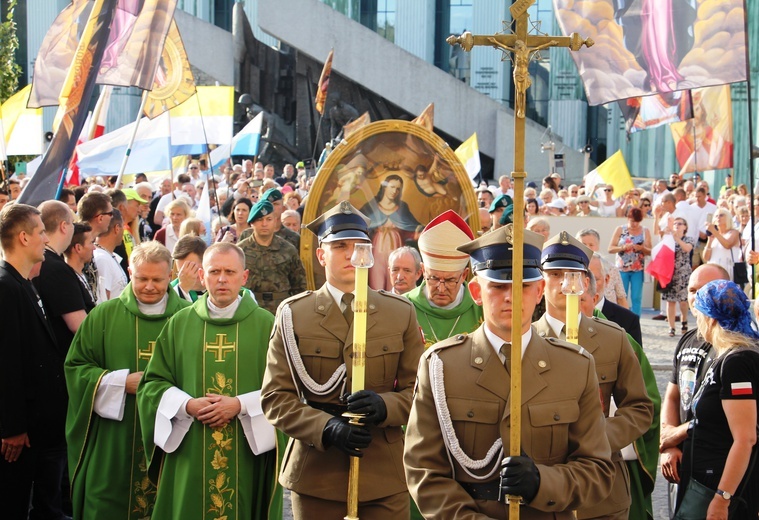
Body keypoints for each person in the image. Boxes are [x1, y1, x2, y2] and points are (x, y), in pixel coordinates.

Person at [404, 225, 615, 518]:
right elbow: (424, 470)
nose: (511, 297)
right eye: (499, 286)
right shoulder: (441, 366)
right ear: (476, 291)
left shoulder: (575, 367)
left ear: (539, 291)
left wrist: (543, 482)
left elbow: (598, 471)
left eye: (523, 286)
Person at [261, 201, 425, 519]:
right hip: (316, 475)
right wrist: (327, 428)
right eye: (339, 246)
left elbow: (418, 394)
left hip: (384, 473)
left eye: (359, 246)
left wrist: (386, 406)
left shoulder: (399, 312)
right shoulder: (295, 314)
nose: (351, 255)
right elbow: (275, 399)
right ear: (321, 255)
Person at [137, 243, 283, 519]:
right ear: (202, 277)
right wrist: (187, 405)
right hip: (191, 445)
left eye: (230, 271)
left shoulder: (267, 324)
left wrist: (240, 405)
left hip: (246, 449)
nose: (222, 279)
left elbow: (285, 389)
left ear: (244, 276)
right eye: (215, 271)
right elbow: (152, 385)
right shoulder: (180, 322)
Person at [64, 242, 190, 520]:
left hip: (170, 435)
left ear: (171, 275)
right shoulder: (103, 316)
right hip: (115, 437)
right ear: (130, 272)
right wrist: (120, 383)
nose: (148, 286)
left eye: (157, 279)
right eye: (141, 278)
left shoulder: (187, 317)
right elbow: (75, 368)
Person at [535, 232, 654, 519]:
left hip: (602, 491)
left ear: (586, 283)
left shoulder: (614, 339)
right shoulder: (523, 341)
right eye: (555, 274)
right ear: (540, 284)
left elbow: (639, 408)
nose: (565, 283)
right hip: (542, 489)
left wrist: (599, 436)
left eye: (573, 274)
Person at [0, 204, 68, 520]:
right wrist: (12, 427)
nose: (46, 238)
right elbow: (7, 361)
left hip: (42, 423)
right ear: (24, 238)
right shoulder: (5, 287)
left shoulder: (23, 282)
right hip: (22, 432)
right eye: (41, 232)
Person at [581, 266, 661, 520]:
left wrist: (601, 434)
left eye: (579, 300)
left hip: (609, 464)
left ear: (594, 299)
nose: (570, 308)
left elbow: (645, 405)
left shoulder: (619, 340)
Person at [682, 280, 759, 519]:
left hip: (721, 491)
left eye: (699, 315)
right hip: (705, 481)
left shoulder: (738, 361)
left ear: (711, 319)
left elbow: (745, 438)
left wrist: (722, 499)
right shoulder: (724, 355)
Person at [659, 263, 730, 515]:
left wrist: (676, 434)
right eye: (691, 290)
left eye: (706, 289)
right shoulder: (687, 338)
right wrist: (668, 445)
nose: (697, 297)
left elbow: (723, 417)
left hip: (718, 471)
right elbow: (673, 395)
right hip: (681, 465)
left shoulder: (736, 346)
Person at [405, 210, 483, 348]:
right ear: (423, 271)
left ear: (464, 275)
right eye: (434, 278)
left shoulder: (481, 309)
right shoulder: (404, 307)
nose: (441, 288)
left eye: (450, 280)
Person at [238, 200, 306, 314]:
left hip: (282, 308)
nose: (264, 224)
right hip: (250, 307)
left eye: (268, 219)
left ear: (275, 221)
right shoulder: (240, 250)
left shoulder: (288, 249)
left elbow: (300, 284)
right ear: (251, 223)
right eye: (260, 220)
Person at [588, 254, 642, 346]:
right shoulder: (562, 316)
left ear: (607, 279)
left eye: (595, 280)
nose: (587, 287)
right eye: (581, 280)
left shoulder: (628, 320)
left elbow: (635, 359)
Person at [608, 207, 652, 315]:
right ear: (628, 218)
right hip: (622, 269)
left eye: (637, 221)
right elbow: (610, 248)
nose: (634, 224)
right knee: (621, 296)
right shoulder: (620, 229)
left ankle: (635, 322)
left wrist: (641, 248)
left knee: (636, 297)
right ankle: (621, 320)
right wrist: (622, 248)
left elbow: (651, 250)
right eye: (632, 221)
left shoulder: (645, 231)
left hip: (638, 270)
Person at [577, 228, 629, 308]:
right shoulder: (571, 269)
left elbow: (621, 298)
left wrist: (627, 319)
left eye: (591, 245)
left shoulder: (611, 268)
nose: (587, 248)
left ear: (597, 246)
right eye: (583, 244)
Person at [661, 217, 695, 336]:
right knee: (670, 301)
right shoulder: (669, 239)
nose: (677, 226)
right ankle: (671, 327)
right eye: (675, 224)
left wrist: (676, 238)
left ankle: (684, 321)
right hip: (670, 273)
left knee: (683, 301)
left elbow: (687, 249)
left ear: (685, 227)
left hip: (683, 274)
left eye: (680, 224)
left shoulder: (689, 239)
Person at [93, 208, 128, 302]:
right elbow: (103, 301)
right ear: (117, 228)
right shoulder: (102, 259)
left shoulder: (108, 256)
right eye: (123, 227)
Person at [703, 208, 742, 281]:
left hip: (727, 269)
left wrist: (714, 231)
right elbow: (706, 257)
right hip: (714, 269)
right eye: (716, 216)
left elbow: (727, 245)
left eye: (721, 215)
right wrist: (709, 241)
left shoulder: (734, 232)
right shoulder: (714, 235)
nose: (718, 217)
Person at [169, 235, 207, 302]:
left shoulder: (219, 286)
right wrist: (182, 289)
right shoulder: (170, 292)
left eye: (191, 269)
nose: (185, 276)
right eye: (181, 272)